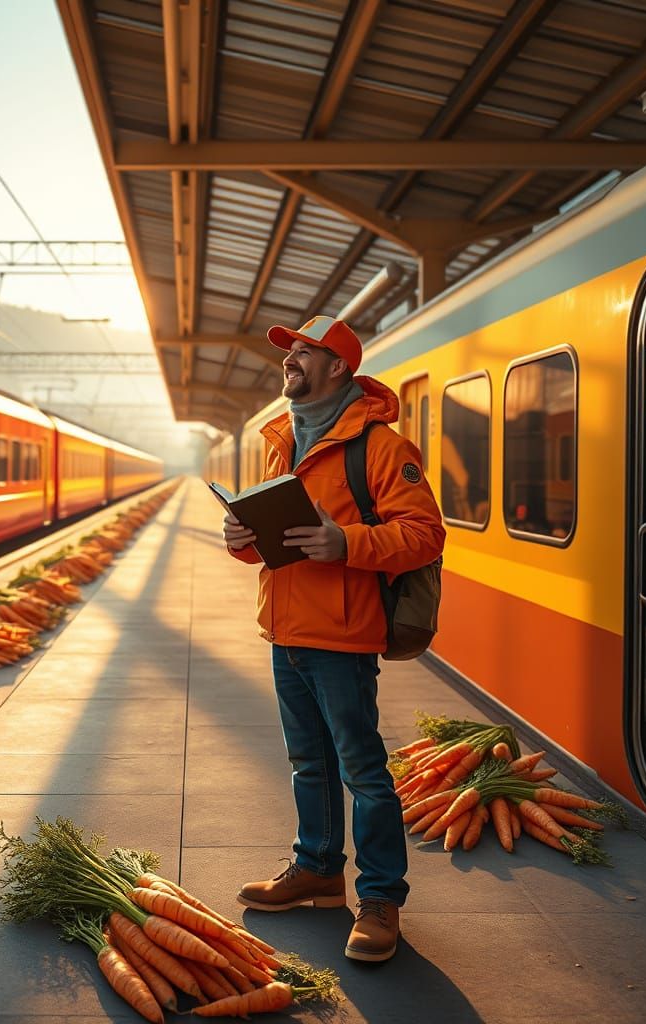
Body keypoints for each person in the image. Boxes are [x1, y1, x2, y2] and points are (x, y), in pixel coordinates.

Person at [221, 315, 445, 963]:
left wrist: (346, 542)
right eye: (289, 352)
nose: (289, 359)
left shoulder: (380, 448)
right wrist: (242, 541)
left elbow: (425, 535)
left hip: (343, 636)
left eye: (304, 352)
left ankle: (380, 899)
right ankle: (318, 870)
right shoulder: (282, 439)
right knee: (308, 763)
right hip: (284, 626)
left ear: (338, 367)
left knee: (363, 772)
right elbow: (278, 539)